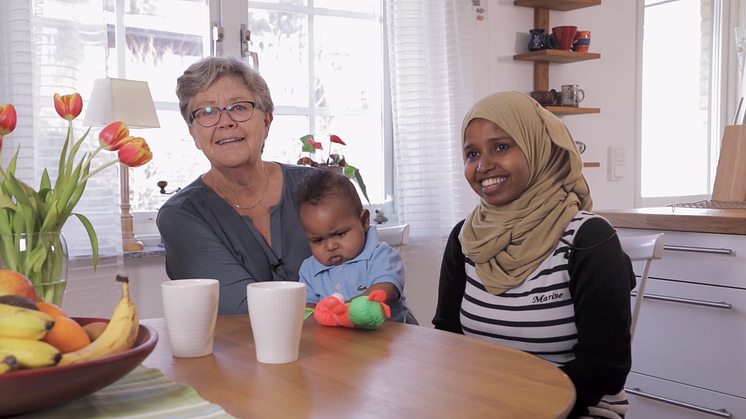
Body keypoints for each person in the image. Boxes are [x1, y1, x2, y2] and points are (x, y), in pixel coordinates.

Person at [432, 91, 635, 419]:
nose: (483, 166)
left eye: (501, 146)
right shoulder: (465, 238)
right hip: (483, 405)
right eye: (471, 153)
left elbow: (604, 368)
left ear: (539, 147)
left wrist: (508, 402)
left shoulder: (588, 239)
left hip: (577, 409)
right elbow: (449, 339)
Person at [157, 56, 315, 315]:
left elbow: (375, 284)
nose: (225, 121)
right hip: (249, 354)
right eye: (206, 112)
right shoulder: (181, 215)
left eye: (239, 107)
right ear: (194, 134)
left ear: (266, 122)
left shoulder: (324, 188)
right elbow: (239, 310)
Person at [297, 169, 418, 325]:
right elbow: (308, 308)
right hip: (343, 345)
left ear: (364, 221)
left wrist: (348, 309)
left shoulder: (381, 255)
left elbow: (386, 289)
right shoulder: (309, 269)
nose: (330, 246)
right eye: (318, 240)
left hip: (392, 341)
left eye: (340, 234)